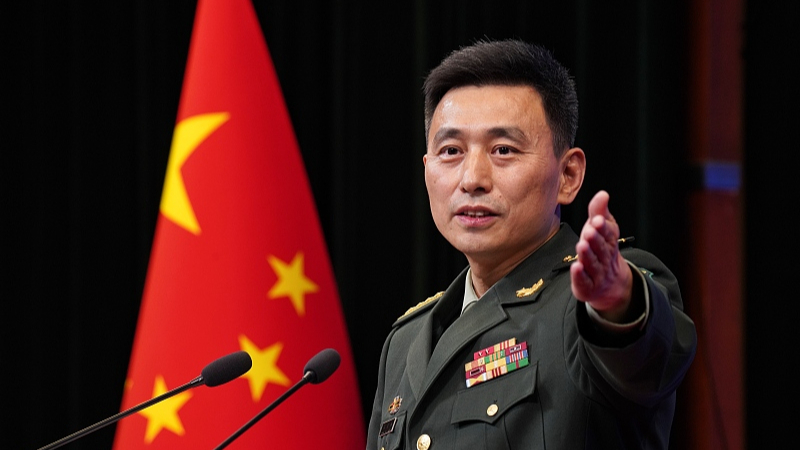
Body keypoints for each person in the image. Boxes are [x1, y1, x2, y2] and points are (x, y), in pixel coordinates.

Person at [366, 39, 697, 450]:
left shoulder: (588, 301)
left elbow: (646, 355)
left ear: (568, 175)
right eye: (451, 151)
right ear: (426, 169)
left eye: (503, 150)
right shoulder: (406, 341)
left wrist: (617, 305)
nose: (472, 178)